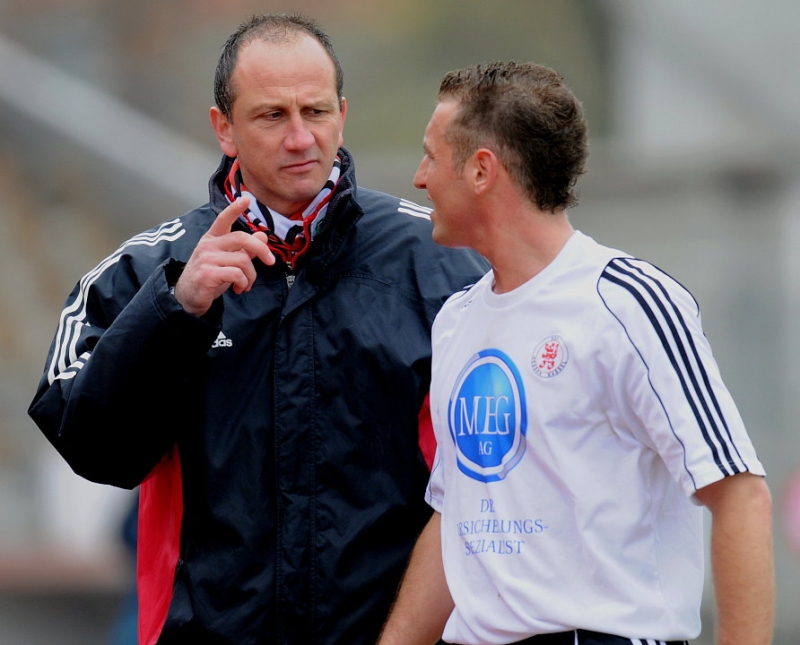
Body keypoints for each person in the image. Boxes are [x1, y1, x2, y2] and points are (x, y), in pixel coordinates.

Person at [27, 14, 488, 645]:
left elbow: (499, 474)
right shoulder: (143, 271)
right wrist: (175, 309)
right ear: (224, 128)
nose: (300, 138)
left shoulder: (442, 263)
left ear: (342, 115)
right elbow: (93, 449)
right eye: (272, 115)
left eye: (315, 112)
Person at [377, 61, 775, 645]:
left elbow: (739, 494)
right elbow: (457, 516)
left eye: (431, 157)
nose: (418, 178)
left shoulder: (629, 303)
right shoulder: (457, 319)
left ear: (481, 170)